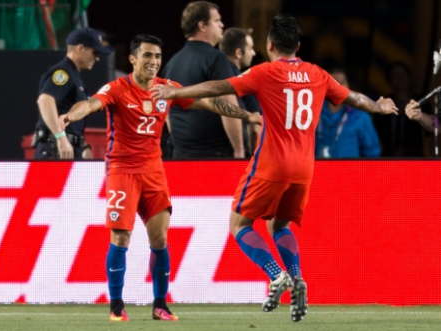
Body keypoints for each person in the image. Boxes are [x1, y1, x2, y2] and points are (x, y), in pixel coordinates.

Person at [150, 14, 398, 322]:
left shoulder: (265, 72)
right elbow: (352, 98)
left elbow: (218, 87)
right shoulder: (317, 73)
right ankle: (296, 279)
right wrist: (378, 105)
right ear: (298, 45)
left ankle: (275, 273)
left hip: (271, 163)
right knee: (279, 226)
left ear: (270, 45)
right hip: (304, 168)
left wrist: (176, 92)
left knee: (239, 224)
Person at [58, 34, 260, 322]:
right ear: (133, 59)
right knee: (121, 236)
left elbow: (211, 104)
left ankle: (160, 305)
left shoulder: (168, 90)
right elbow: (91, 104)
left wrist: (247, 115)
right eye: (147, 56)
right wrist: (70, 116)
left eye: (157, 57)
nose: (153, 62)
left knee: (160, 238)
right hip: (122, 170)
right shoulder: (117, 89)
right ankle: (116, 306)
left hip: (154, 171)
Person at [162, 1, 244, 159]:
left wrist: (181, 142)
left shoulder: (172, 62)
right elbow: (228, 106)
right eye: (217, 20)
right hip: (213, 156)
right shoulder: (216, 58)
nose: (222, 25)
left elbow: (164, 107)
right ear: (202, 26)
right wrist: (239, 151)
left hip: (179, 155)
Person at [33, 27, 112, 159]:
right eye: (95, 52)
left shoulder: (74, 75)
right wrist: (61, 138)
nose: (97, 58)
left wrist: (83, 145)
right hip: (55, 150)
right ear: (80, 48)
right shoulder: (63, 73)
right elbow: (45, 100)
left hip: (68, 149)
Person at [315, 68, 381, 158]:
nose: (339, 86)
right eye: (335, 82)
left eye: (343, 82)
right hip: (315, 170)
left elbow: (373, 153)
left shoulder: (361, 117)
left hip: (348, 171)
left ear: (348, 86)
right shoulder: (312, 113)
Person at [219, 27, 262, 157]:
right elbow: (255, 129)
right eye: (250, 48)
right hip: (237, 158)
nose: (253, 53)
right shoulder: (244, 82)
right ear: (238, 53)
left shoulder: (211, 76)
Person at [373, 62, 425, 157]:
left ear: (409, 78)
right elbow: (376, 135)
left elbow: (430, 133)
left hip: (414, 158)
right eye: (396, 76)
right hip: (388, 157)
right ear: (389, 80)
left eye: (403, 74)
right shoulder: (383, 103)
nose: (400, 79)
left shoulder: (421, 102)